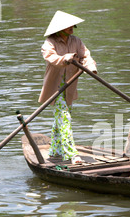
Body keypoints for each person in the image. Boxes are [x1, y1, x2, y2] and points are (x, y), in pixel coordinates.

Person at [38, 10, 97, 164]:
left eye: (72, 25)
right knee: (65, 118)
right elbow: (53, 59)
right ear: (59, 28)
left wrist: (91, 67)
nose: (72, 27)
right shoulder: (49, 43)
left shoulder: (76, 41)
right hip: (55, 89)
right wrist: (66, 58)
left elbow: (86, 56)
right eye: (68, 25)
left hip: (69, 87)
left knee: (61, 119)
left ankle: (55, 151)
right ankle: (72, 154)